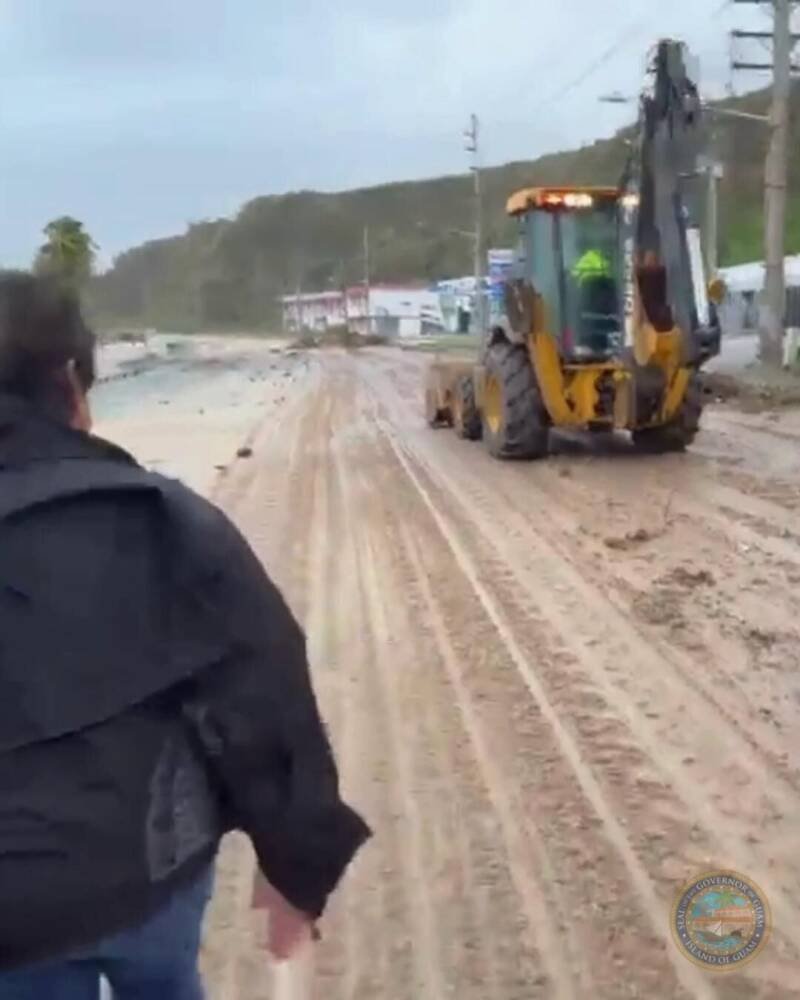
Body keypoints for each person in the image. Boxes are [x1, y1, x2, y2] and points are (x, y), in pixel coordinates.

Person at [0, 272, 370, 998]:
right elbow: (262, 693)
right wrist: (294, 867)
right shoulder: (165, 520)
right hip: (150, 873)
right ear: (72, 385)